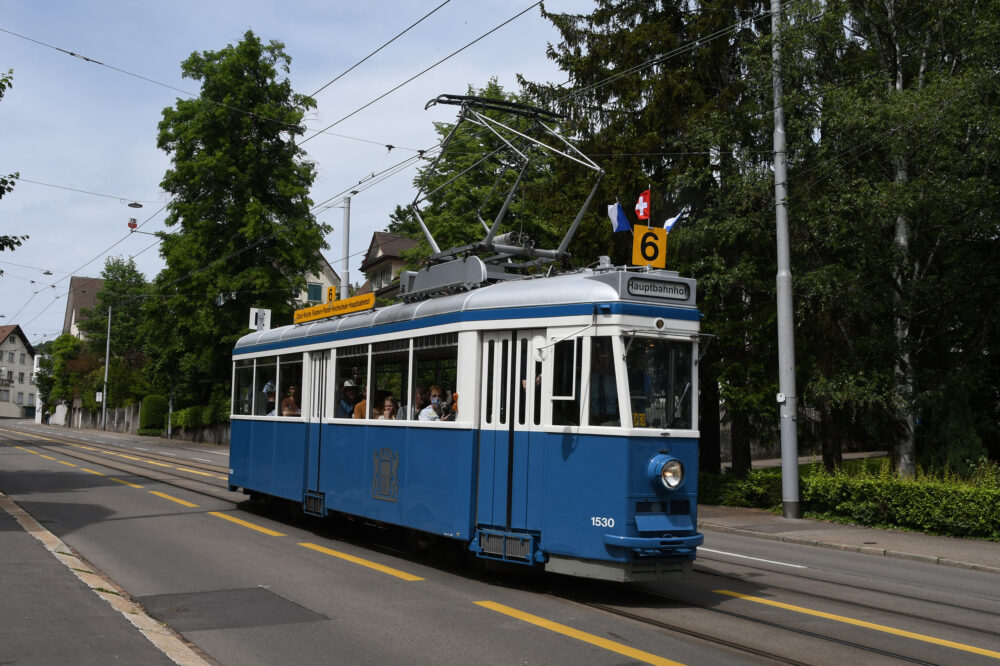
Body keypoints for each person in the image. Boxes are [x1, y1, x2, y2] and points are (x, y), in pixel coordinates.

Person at [589, 344, 619, 426]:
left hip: (612, 417)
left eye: (604, 359)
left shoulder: (614, 381)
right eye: (597, 359)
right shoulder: (585, 382)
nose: (601, 363)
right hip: (592, 419)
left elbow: (619, 399)